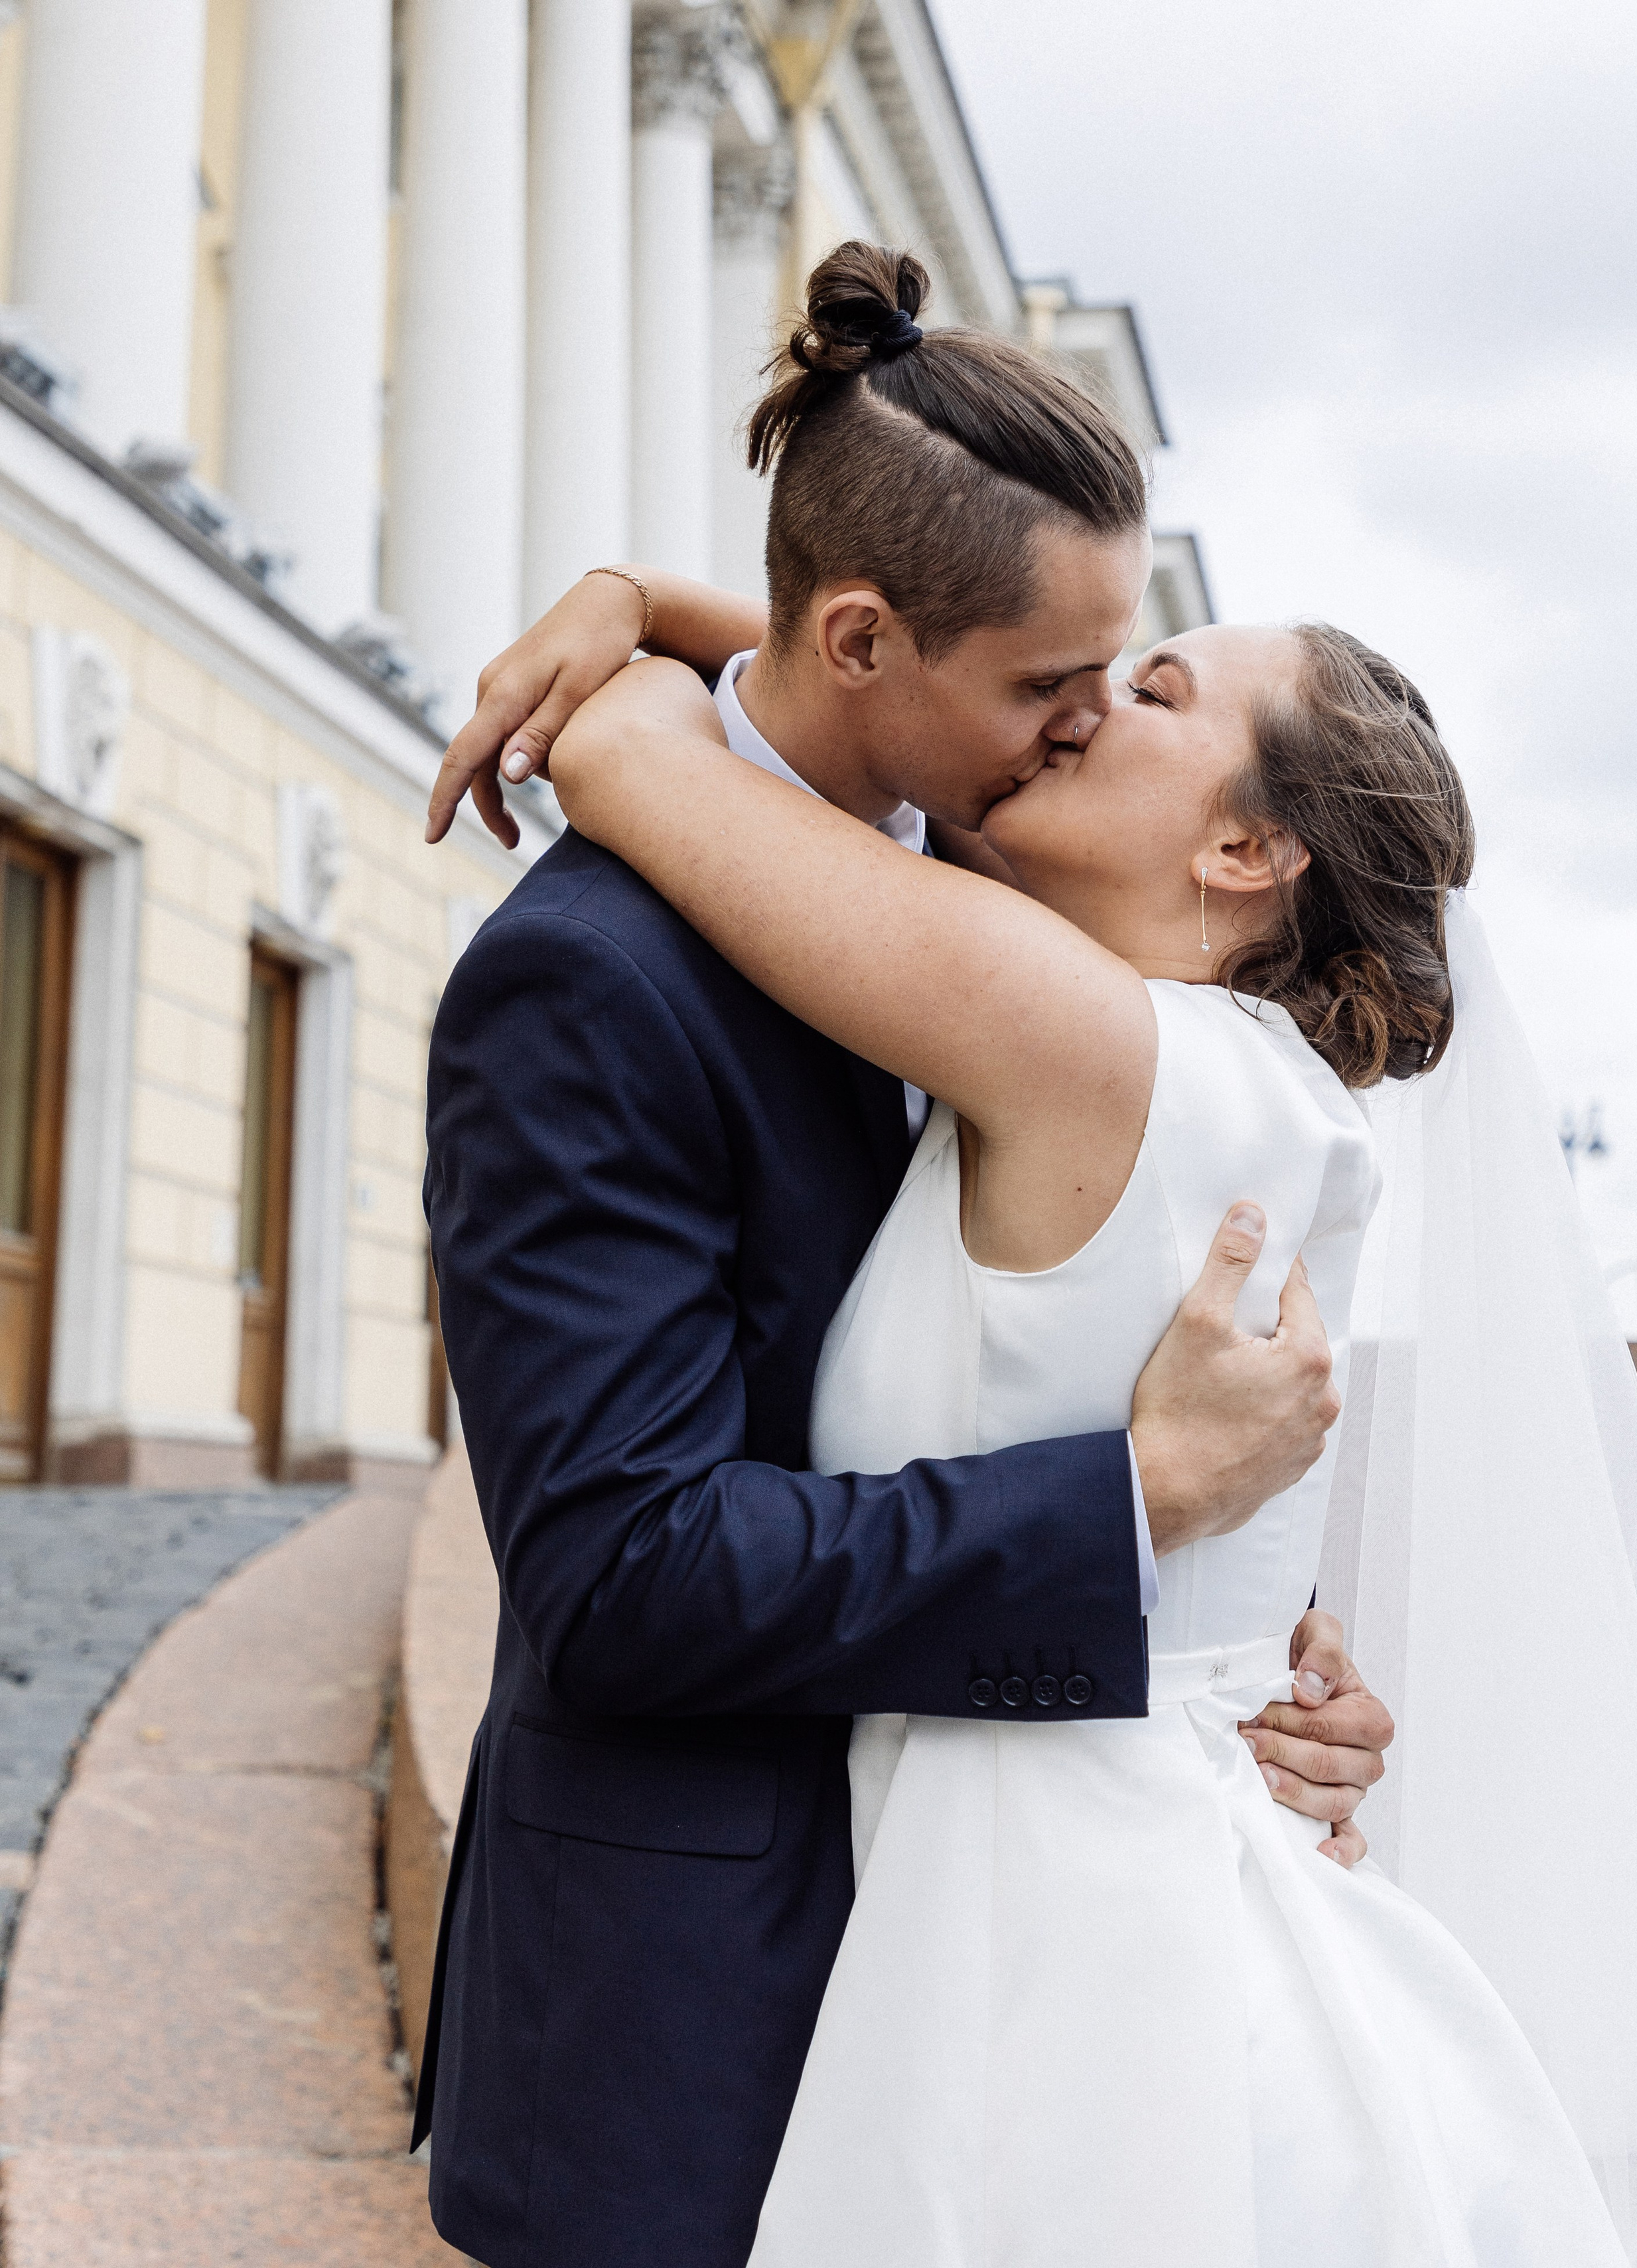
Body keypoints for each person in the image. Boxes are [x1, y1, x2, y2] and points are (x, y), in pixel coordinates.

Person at [415, 243, 1399, 2268]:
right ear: (869, 638)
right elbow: (613, 1578)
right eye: (1051, 687)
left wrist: (1226, 1643)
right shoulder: (588, 983)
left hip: (992, 1999)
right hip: (688, 2029)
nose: (1070, 738)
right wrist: (1134, 1511)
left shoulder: (981, 911)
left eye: (1117, 686)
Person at [543, 607, 1637, 2257]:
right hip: (1113, 1877)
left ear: (1243, 839)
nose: (1071, 708)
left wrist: (625, 606)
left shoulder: (1090, 1038)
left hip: (1065, 1948)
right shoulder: (1218, 1068)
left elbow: (626, 756)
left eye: (1147, 688)